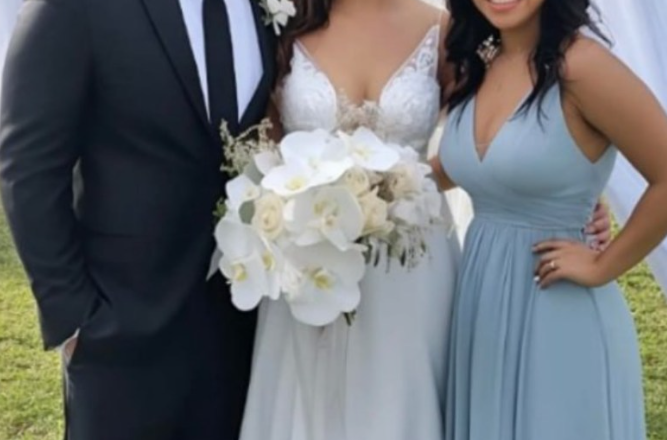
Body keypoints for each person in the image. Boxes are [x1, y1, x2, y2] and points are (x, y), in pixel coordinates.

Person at [239, 1, 610, 439]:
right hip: (307, 264)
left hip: (412, 267)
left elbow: (496, 127)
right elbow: (262, 150)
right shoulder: (284, 24)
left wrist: (571, 190)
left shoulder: (444, 31)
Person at [0, 0, 275, 438]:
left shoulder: (270, 9)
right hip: (120, 337)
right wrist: (75, 319)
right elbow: (29, 168)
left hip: (242, 337)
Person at [433, 0, 667, 438]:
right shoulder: (480, 62)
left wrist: (603, 265)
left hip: (558, 311)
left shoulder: (581, 66)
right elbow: (461, 167)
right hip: (482, 307)